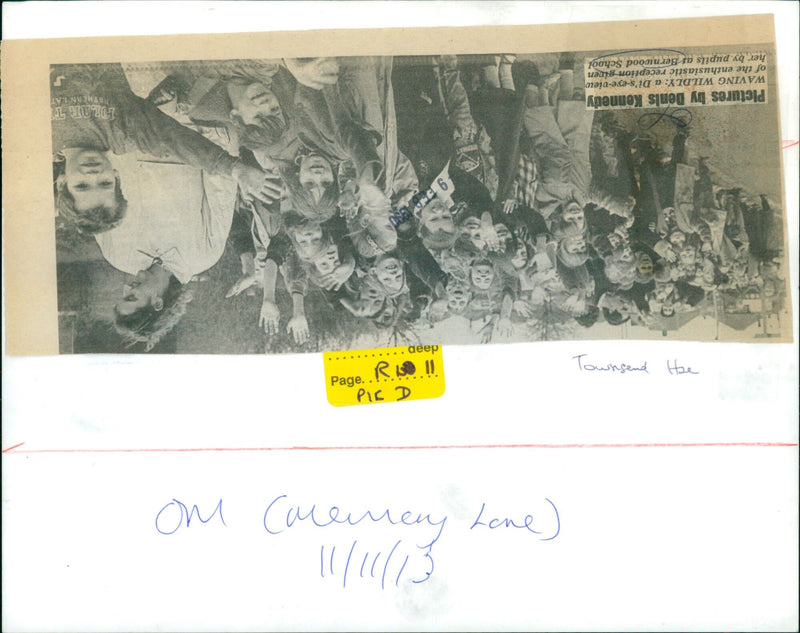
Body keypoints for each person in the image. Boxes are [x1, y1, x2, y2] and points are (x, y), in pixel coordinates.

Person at [51, 62, 276, 234]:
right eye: (104, 183)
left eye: (82, 185)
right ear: (116, 177)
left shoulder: (40, 139)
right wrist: (234, 169)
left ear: (62, 182)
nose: (93, 175)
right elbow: (175, 141)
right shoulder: (126, 134)